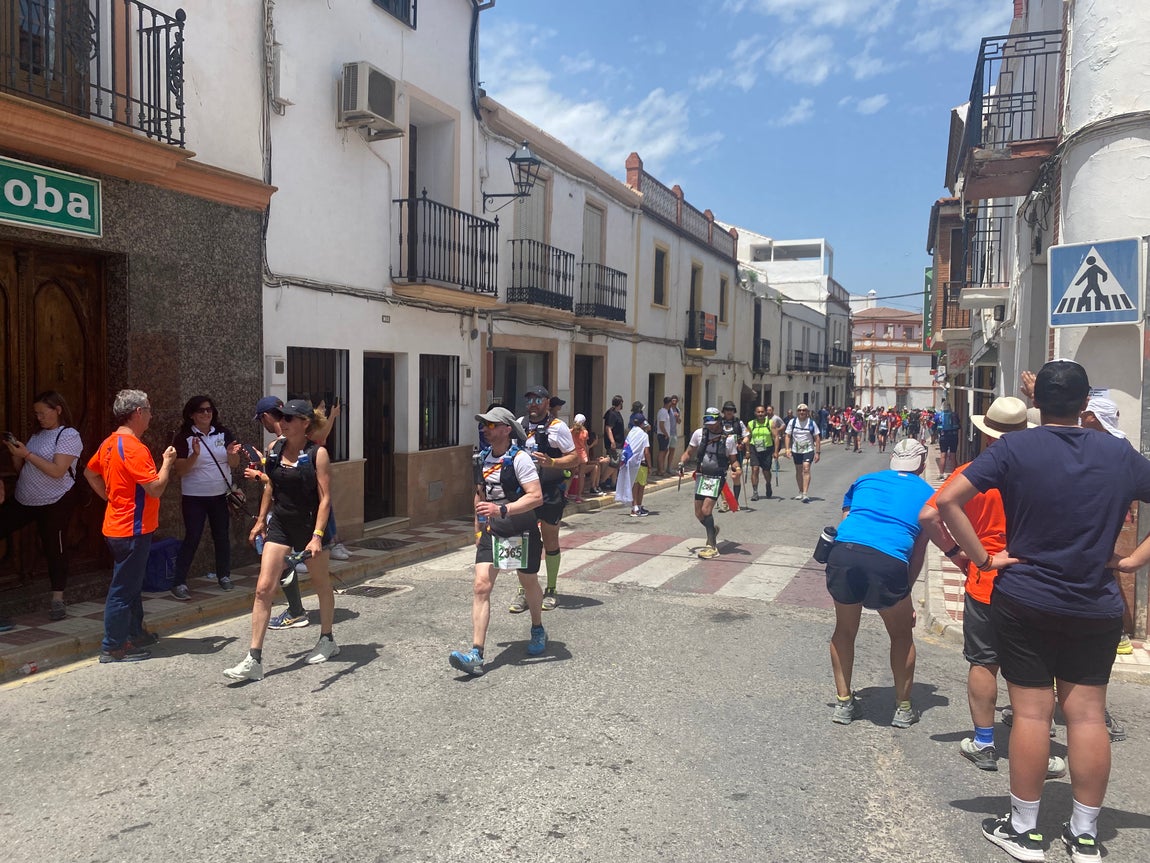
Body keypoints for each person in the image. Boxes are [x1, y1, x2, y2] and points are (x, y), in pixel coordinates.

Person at [937, 360, 1150, 863]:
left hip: (1026, 596)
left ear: (1038, 405)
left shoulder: (1014, 448)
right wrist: (1134, 561)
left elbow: (946, 503)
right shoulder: (1119, 454)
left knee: (1032, 714)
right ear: (1084, 405)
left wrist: (985, 558)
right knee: (1088, 716)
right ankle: (1085, 836)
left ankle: (1026, 829)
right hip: (1095, 603)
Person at [919, 397, 1067, 778]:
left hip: (985, 581)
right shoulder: (1047, 472)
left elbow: (929, 516)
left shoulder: (971, 473)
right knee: (1034, 669)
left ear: (986, 436)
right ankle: (1039, 749)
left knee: (984, 663)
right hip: (1036, 582)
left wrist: (958, 554)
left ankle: (984, 742)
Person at [224, 399, 339, 681]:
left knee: (321, 584)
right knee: (263, 589)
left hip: (310, 526)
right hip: (281, 526)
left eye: (289, 418)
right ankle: (254, 659)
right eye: (282, 418)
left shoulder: (318, 454)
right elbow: (270, 486)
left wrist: (316, 537)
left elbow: (325, 500)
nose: (283, 422)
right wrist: (262, 520)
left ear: (305, 424)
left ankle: (327, 639)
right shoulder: (274, 449)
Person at [825, 439, 933, 727]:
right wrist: (906, 590)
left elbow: (848, 519)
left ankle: (844, 703)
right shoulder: (927, 493)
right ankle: (903, 708)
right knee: (900, 634)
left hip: (844, 553)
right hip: (888, 560)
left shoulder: (864, 480)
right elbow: (918, 549)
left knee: (844, 630)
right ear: (922, 465)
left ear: (892, 461)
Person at [449, 406, 546, 675]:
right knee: (481, 586)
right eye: (484, 425)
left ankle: (537, 628)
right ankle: (476, 654)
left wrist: (502, 509)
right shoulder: (482, 459)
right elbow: (479, 496)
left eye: (491, 425)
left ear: (506, 429)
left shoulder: (521, 460)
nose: (485, 430)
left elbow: (535, 497)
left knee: (528, 582)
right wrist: (478, 529)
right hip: (493, 531)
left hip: (521, 529)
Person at [84, 389, 177, 663]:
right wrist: (167, 463)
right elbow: (156, 488)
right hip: (132, 529)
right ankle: (113, 646)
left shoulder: (110, 443)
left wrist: (110, 497)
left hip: (119, 526)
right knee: (124, 590)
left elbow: (90, 472)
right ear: (138, 413)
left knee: (131, 586)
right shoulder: (135, 448)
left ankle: (134, 633)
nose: (150, 415)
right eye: (148, 409)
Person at [0, 391, 84, 621]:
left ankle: (57, 599)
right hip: (25, 498)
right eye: (36, 414)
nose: (38, 417)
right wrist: (17, 454)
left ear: (57, 410)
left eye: (42, 413)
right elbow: (23, 470)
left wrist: (27, 454)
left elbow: (57, 471)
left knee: (54, 547)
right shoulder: (37, 435)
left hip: (55, 500)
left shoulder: (69, 435)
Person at [509, 386, 579, 613]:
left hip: (549, 491)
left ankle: (551, 589)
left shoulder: (558, 428)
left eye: (538, 399)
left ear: (547, 402)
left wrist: (553, 463)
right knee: (523, 541)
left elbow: (574, 457)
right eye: (529, 399)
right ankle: (524, 591)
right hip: (525, 492)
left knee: (550, 539)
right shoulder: (519, 424)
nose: (533, 404)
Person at [248, 396, 311, 630]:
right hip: (294, 512)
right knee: (284, 563)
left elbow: (274, 483)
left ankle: (296, 610)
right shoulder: (287, 443)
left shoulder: (281, 444)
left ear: (266, 417)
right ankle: (296, 609)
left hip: (287, 513)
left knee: (281, 563)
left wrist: (260, 476)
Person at [170, 396, 241, 598]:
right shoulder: (183, 437)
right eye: (201, 411)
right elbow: (181, 471)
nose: (206, 414)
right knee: (192, 537)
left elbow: (234, 463)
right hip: (194, 496)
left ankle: (224, 576)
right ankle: (179, 582)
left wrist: (231, 453)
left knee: (222, 536)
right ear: (191, 415)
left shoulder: (223, 433)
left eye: (209, 410)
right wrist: (194, 454)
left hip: (220, 494)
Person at [678, 407, 740, 560]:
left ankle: (712, 546)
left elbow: (733, 460)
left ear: (719, 420)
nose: (711, 426)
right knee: (698, 513)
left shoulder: (729, 438)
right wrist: (681, 462)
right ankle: (712, 530)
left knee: (706, 510)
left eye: (713, 423)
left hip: (717, 477)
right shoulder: (699, 434)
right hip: (702, 476)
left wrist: (737, 469)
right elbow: (689, 452)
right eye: (708, 423)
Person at [783, 403, 821, 502]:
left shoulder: (811, 423)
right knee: (799, 470)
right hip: (796, 450)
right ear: (797, 412)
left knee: (806, 468)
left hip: (808, 450)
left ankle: (805, 493)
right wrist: (787, 449)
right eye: (800, 410)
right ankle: (800, 491)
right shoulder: (793, 422)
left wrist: (817, 452)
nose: (801, 412)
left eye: (804, 410)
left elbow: (817, 438)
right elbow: (787, 436)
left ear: (807, 412)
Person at [616, 411, 651, 517]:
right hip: (641, 463)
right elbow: (646, 452)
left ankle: (634, 507)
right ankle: (637, 508)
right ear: (642, 423)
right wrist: (650, 466)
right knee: (641, 486)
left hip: (630, 463)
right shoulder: (644, 435)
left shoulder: (631, 432)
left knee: (634, 486)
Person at [717, 401, 749, 510]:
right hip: (721, 453)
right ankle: (725, 501)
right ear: (723, 411)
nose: (729, 412)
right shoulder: (719, 422)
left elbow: (746, 436)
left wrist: (743, 444)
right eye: (727, 410)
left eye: (731, 410)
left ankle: (735, 501)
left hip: (736, 453)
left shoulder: (738, 422)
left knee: (736, 475)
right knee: (721, 477)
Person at [746, 404, 775, 501]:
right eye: (758, 412)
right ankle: (755, 492)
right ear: (755, 413)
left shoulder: (770, 423)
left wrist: (776, 451)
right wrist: (747, 450)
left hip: (767, 449)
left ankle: (768, 484)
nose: (760, 414)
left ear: (765, 413)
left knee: (766, 471)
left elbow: (775, 437)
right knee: (755, 469)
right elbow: (747, 437)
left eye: (762, 412)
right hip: (755, 448)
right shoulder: (751, 424)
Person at [602, 395, 626, 480]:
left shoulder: (617, 413)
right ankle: (602, 480)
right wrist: (612, 441)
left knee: (616, 464)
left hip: (619, 442)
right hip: (615, 443)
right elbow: (608, 428)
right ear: (620, 403)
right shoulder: (611, 414)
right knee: (614, 463)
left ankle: (613, 483)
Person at [567, 413, 589, 503]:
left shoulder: (570, 431)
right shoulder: (585, 432)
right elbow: (585, 445)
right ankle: (579, 496)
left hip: (574, 455)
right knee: (581, 476)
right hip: (582, 455)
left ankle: (565, 492)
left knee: (571, 475)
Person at [936, 401, 959, 479]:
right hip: (953, 436)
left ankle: (941, 474)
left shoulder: (939, 415)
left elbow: (935, 425)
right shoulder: (954, 414)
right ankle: (954, 473)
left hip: (943, 437)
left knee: (943, 455)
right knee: (953, 455)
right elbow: (959, 426)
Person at [656, 396, 674, 476]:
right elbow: (661, 425)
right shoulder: (663, 412)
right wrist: (666, 434)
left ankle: (661, 469)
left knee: (664, 451)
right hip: (663, 435)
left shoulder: (665, 411)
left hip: (664, 435)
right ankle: (661, 470)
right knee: (662, 452)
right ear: (669, 403)